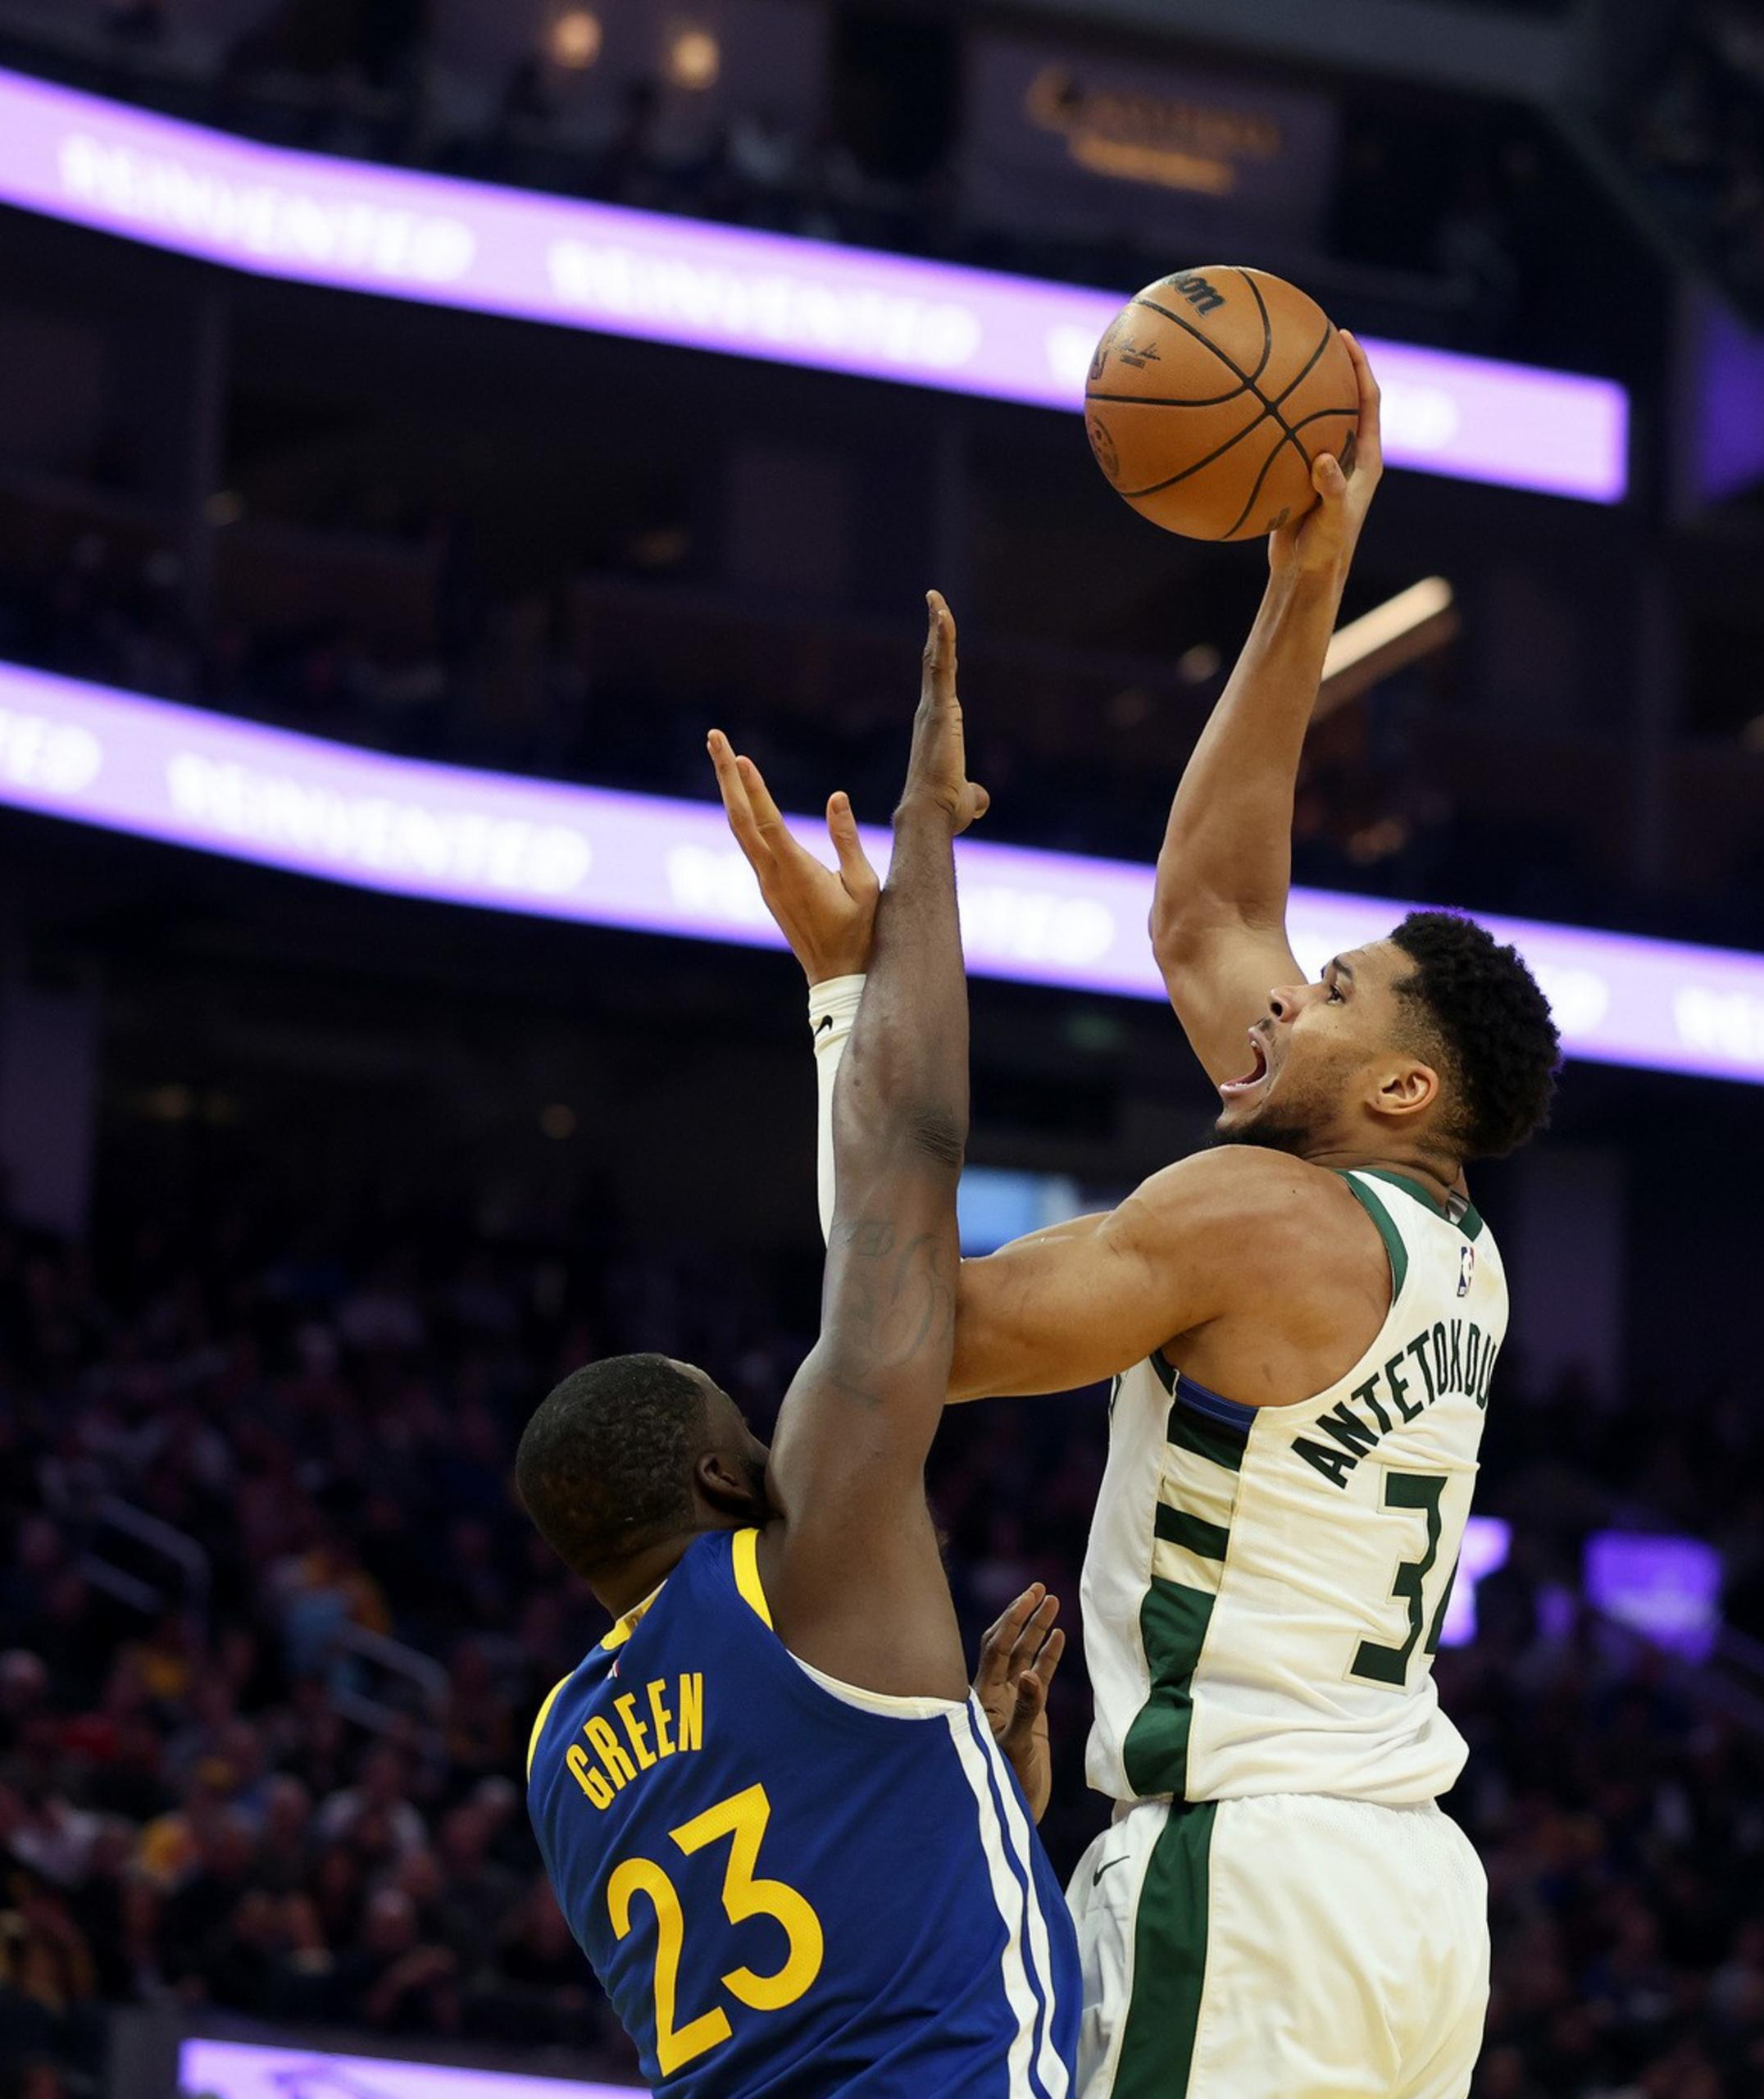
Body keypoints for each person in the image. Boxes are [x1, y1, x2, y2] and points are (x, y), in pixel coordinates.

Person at [715, 339, 1558, 2097]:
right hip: (1404, 1898)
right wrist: (1304, 582)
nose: (1280, 1001)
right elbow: (1203, 912)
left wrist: (845, 995)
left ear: (1401, 1088)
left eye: (1328, 994)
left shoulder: (1262, 1215)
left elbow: (907, 1330)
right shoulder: (1441, 1237)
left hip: (1244, 1881)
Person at [519, 595, 1080, 2097]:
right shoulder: (801, 1558)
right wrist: (913, 855)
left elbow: (805, 1972)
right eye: (751, 1433)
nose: (782, 1441)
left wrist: (967, 1783)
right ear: (719, 1471)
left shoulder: (561, 1759)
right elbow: (912, 1150)